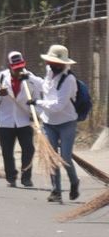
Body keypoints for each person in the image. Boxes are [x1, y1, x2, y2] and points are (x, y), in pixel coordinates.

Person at [37, 44, 82, 203]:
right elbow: (43, 87)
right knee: (51, 156)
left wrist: (37, 102)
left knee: (65, 157)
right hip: (48, 122)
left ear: (64, 63)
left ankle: (74, 182)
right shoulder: (49, 73)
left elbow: (58, 106)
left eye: (56, 63)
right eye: (51, 62)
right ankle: (56, 190)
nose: (52, 65)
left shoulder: (69, 80)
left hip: (66, 122)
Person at [0, 51, 38, 188]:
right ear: (10, 67)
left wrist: (36, 112)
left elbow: (39, 93)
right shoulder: (1, 78)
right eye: (16, 67)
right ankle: (11, 177)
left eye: (21, 66)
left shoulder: (30, 78)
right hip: (5, 121)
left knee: (28, 149)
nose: (19, 70)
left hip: (24, 120)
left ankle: (26, 177)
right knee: (7, 151)